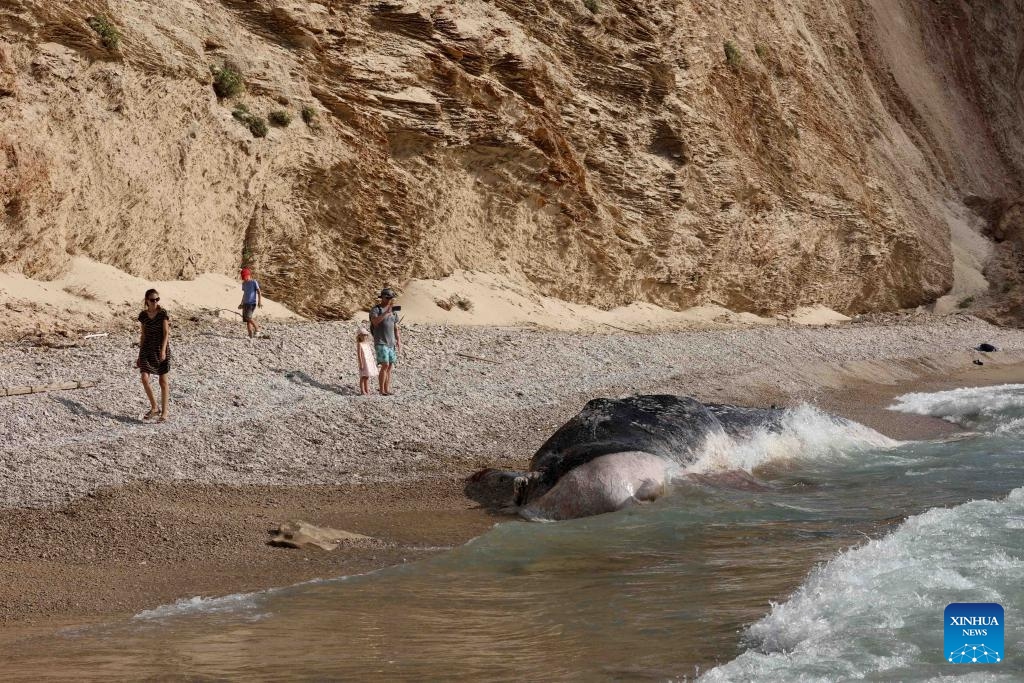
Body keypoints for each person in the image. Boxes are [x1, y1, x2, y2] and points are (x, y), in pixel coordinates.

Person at [136, 288, 171, 422]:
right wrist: (139, 354)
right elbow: (143, 335)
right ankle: (155, 407)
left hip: (160, 347)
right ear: (147, 300)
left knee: (163, 381)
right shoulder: (143, 315)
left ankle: (165, 412)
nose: (155, 302)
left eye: (157, 299)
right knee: (144, 378)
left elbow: (166, 333)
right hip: (147, 349)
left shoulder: (162, 314)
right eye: (152, 300)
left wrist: (163, 350)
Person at [368, 287, 402, 396]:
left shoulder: (394, 312)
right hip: (380, 341)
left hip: (391, 342)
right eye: (387, 297)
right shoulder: (376, 309)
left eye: (390, 298)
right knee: (385, 364)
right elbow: (374, 322)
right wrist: (386, 313)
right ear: (382, 297)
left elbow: (395, 327)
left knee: (390, 366)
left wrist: (398, 340)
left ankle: (387, 389)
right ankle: (381, 390)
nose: (389, 300)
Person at [238, 267, 262, 341]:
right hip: (245, 303)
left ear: (249, 275)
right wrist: (241, 303)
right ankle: (250, 336)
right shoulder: (244, 283)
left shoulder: (254, 282)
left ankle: (257, 329)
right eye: (243, 277)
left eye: (245, 277)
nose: (244, 279)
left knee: (248, 317)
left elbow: (259, 292)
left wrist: (259, 301)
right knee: (247, 320)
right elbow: (244, 294)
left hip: (252, 303)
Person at [356, 326, 378, 396]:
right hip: (363, 362)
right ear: (359, 336)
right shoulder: (360, 344)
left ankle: (367, 389)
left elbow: (369, 353)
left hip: (368, 362)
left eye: (365, 335)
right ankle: (362, 390)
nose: (364, 336)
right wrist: (361, 363)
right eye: (362, 335)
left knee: (367, 376)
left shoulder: (367, 344)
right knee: (363, 376)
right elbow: (359, 355)